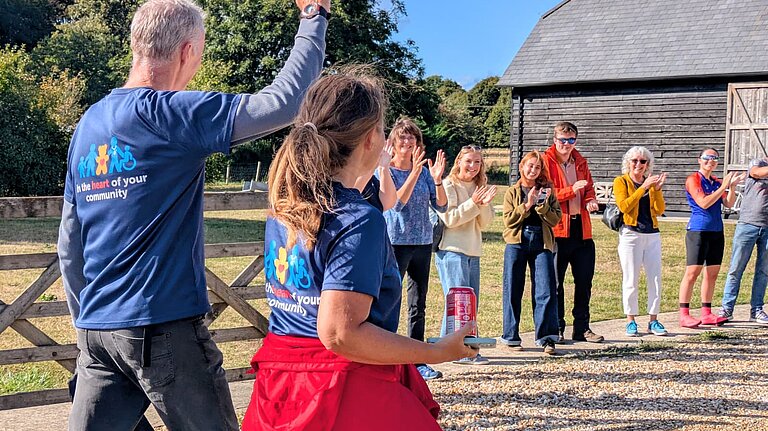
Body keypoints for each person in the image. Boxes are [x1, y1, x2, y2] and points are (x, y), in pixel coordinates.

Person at [56, 0, 329, 429]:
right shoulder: (170, 114)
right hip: (162, 328)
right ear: (186, 52)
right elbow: (284, 103)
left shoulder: (89, 124)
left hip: (98, 334)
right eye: (199, 53)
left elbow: (69, 241)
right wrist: (314, 16)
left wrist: (86, 319)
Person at [241, 69, 476, 431]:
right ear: (370, 140)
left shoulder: (285, 204)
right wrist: (437, 352)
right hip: (338, 391)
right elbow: (340, 334)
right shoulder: (357, 219)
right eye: (382, 131)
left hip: (280, 389)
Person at [382, 117, 448, 380]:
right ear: (394, 143)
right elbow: (397, 204)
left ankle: (416, 360)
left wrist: (438, 180)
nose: (408, 142)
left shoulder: (424, 172)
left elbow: (441, 206)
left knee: (417, 303)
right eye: (403, 138)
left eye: (413, 138)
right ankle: (386, 357)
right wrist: (414, 174)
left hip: (422, 242)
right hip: (395, 243)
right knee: (390, 302)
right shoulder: (387, 171)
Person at [542, 121, 604, 343]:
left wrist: (590, 200)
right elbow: (545, 194)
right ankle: (557, 328)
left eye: (571, 141)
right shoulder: (545, 161)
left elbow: (588, 188)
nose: (566, 145)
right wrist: (571, 191)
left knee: (584, 281)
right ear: (554, 140)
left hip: (581, 228)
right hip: (559, 229)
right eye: (562, 141)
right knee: (556, 283)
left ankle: (582, 328)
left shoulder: (580, 160)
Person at [434, 145, 497, 364]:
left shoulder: (479, 186)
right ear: (459, 161)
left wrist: (484, 204)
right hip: (452, 250)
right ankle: (457, 351)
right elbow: (450, 219)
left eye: (477, 162)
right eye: (469, 161)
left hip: (473, 250)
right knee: (458, 305)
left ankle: (463, 350)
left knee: (470, 305)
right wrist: (474, 203)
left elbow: (485, 223)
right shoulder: (449, 185)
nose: (473, 166)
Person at [500, 150, 562, 355]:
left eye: (537, 167)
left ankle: (546, 337)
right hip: (517, 242)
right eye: (530, 166)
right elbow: (508, 220)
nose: (533, 170)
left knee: (545, 289)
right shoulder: (512, 192)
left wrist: (542, 205)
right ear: (521, 167)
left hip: (541, 243)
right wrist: (527, 204)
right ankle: (511, 336)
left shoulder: (548, 190)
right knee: (513, 288)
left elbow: (555, 220)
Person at [679, 148, 745, 328]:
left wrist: (730, 187)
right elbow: (703, 202)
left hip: (716, 231)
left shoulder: (716, 182)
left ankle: (706, 312)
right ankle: (684, 314)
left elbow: (729, 203)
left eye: (715, 158)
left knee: (712, 273)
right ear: (699, 160)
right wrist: (724, 186)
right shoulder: (693, 179)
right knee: (692, 273)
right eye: (707, 158)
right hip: (698, 231)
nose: (711, 161)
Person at [613, 146, 668, 337]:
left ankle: (653, 320)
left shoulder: (650, 183)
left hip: (652, 234)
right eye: (635, 161)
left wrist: (657, 190)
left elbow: (660, 210)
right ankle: (631, 320)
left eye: (643, 161)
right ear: (628, 162)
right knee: (631, 278)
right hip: (631, 234)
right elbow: (624, 206)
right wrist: (643, 189)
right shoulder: (621, 181)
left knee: (655, 278)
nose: (638, 165)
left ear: (648, 165)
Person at [719, 156, 768, 325]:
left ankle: (757, 310)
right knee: (736, 267)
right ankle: (727, 308)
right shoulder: (758, 163)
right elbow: (756, 173)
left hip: (767, 227)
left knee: (763, 271)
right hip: (748, 224)